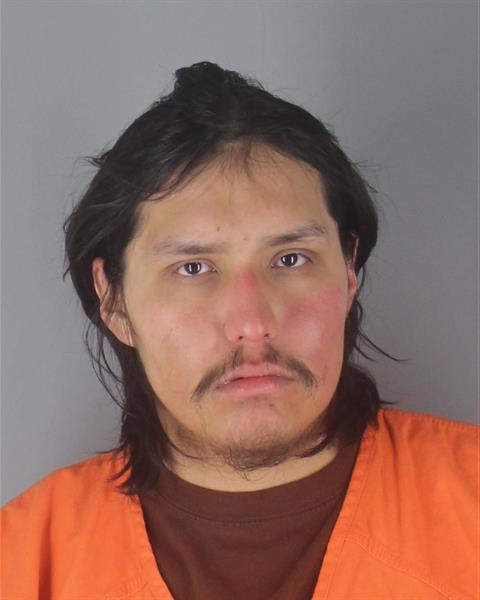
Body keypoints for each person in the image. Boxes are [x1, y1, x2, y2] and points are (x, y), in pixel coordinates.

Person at [1, 62, 477, 600]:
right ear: (113, 301)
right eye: (193, 268)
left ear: (348, 272)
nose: (253, 324)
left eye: (291, 258)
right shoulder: (22, 561)